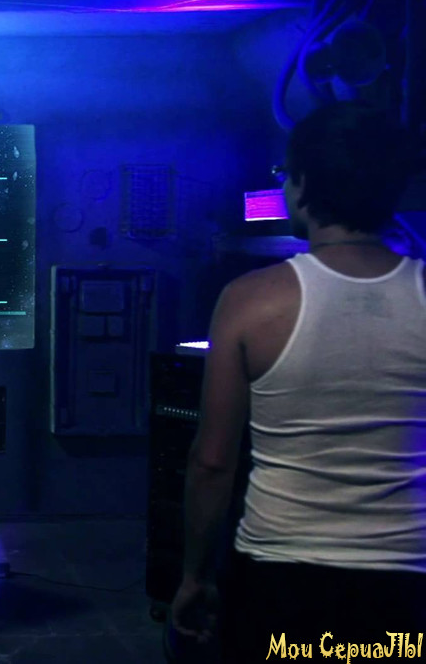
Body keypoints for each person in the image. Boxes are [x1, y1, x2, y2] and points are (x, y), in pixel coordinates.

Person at [172, 102, 424, 662]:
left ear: (305, 184)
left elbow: (212, 462)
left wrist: (195, 576)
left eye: (286, 175)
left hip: (281, 573)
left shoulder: (250, 301)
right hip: (407, 578)